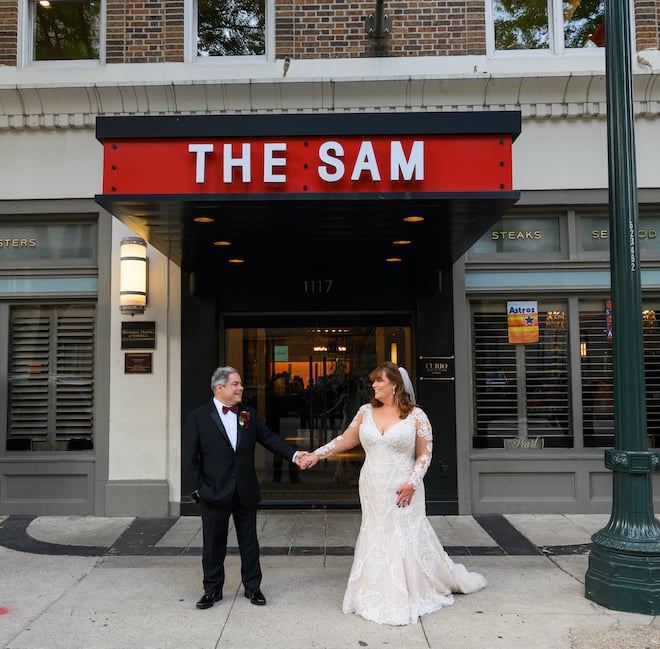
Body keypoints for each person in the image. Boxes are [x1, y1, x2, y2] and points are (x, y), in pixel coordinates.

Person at [301, 362, 487, 625]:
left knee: (403, 534)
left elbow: (425, 453)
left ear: (395, 385)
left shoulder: (416, 416)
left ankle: (407, 589)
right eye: (373, 381)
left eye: (379, 381)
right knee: (376, 532)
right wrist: (316, 455)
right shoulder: (365, 412)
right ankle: (373, 590)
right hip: (372, 485)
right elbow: (344, 440)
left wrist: (412, 482)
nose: (374, 385)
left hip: (404, 487)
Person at [183, 366, 309, 610]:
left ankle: (253, 587)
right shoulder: (198, 417)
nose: (241, 388)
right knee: (212, 543)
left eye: (240, 384)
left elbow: (269, 438)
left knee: (249, 541)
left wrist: (295, 455)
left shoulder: (248, 415)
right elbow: (190, 458)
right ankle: (212, 590)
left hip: (245, 490)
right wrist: (199, 489)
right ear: (220, 388)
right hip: (214, 491)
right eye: (236, 384)